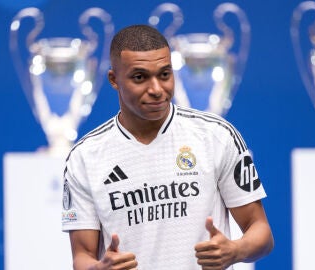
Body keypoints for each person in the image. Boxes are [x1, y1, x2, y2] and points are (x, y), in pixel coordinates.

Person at [61, 24, 274, 270]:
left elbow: (261, 231)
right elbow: (82, 256)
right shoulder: (85, 156)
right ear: (114, 80)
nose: (156, 90)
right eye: (139, 77)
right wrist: (99, 268)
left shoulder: (216, 136)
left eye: (164, 74)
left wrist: (235, 250)